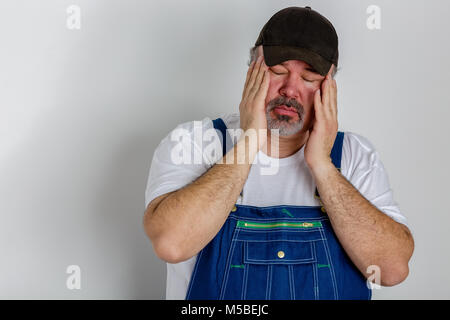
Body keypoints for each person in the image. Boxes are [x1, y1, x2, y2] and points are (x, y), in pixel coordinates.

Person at [143, 6, 414, 300]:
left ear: (329, 86)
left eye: (309, 78)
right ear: (252, 71)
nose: (290, 89)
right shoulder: (194, 142)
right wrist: (250, 141)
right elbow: (171, 244)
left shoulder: (354, 155)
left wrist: (323, 165)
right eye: (277, 71)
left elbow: (391, 270)